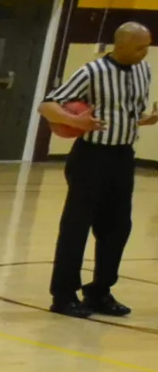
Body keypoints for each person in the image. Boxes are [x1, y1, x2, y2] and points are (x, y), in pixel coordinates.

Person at [45, 23, 156, 319]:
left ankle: (99, 291)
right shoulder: (91, 72)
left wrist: (148, 119)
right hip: (91, 158)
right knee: (76, 227)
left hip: (122, 156)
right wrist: (77, 122)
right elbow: (47, 106)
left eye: (147, 45)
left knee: (118, 228)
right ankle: (63, 296)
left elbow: (127, 113)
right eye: (139, 46)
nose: (145, 51)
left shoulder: (144, 70)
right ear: (120, 45)